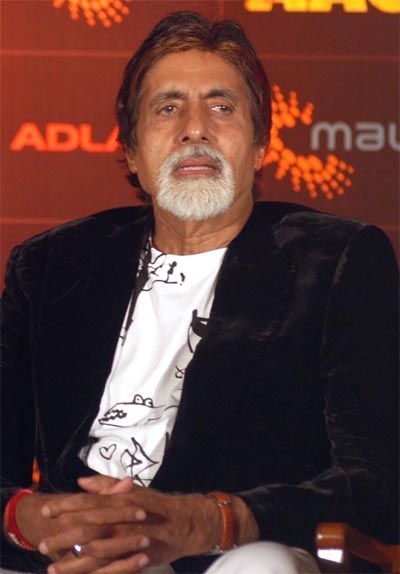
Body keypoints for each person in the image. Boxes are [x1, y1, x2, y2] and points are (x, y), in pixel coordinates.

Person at [1, 10, 398, 574]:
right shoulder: (50, 267)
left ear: (259, 146)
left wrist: (212, 521)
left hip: (227, 555)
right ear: (131, 151)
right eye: (167, 108)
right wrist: (32, 519)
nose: (195, 129)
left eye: (221, 107)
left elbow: (379, 481)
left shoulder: (336, 259)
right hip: (69, 557)